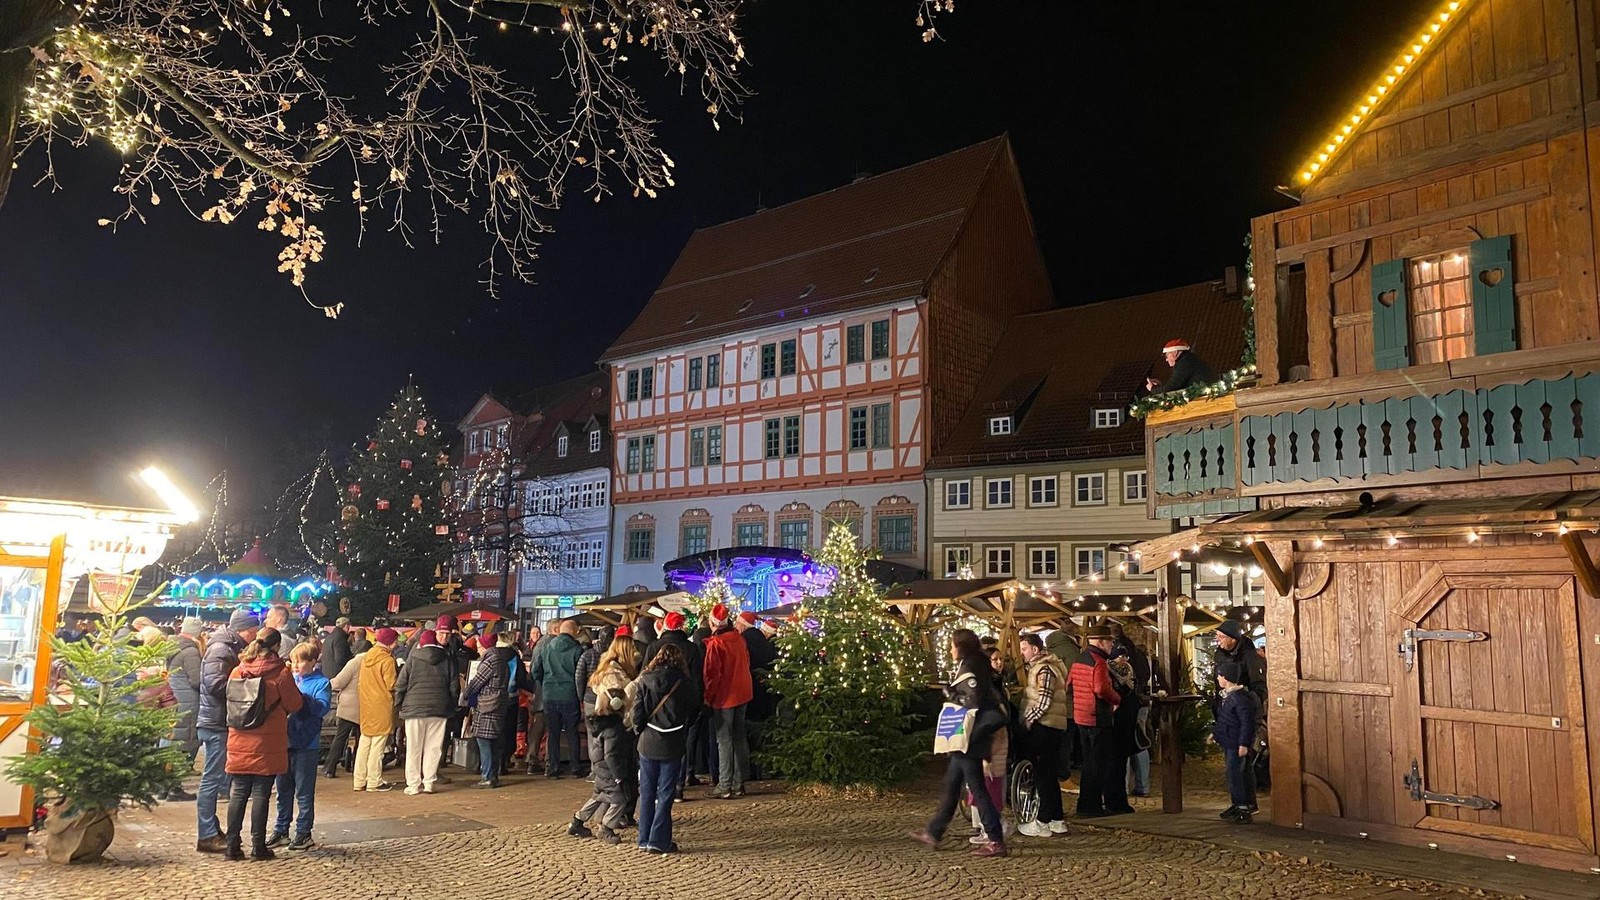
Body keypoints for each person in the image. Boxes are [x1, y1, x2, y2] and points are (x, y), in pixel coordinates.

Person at [910, 629, 1008, 858]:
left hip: (971, 738)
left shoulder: (972, 665)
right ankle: (933, 832)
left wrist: (950, 693)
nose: (950, 650)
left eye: (952, 645)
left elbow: (972, 701)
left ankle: (996, 839)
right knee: (952, 784)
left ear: (961, 646)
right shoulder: (977, 662)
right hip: (970, 738)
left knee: (977, 789)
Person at [224, 627, 304, 861]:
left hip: (239, 737)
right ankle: (258, 846)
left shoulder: (238, 670)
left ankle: (232, 846)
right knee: (261, 793)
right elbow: (294, 703)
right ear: (277, 646)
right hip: (267, 740)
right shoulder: (280, 672)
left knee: (238, 792)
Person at [568, 626, 641, 844]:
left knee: (599, 793)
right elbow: (612, 754)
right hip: (609, 751)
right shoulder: (613, 676)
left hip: (600, 749)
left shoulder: (608, 671)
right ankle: (606, 827)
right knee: (618, 796)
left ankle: (577, 822)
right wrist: (637, 684)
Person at [195, 610, 260, 853]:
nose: (254, 634)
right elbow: (214, 684)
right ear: (244, 629)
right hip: (215, 723)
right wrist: (245, 685)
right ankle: (207, 834)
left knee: (217, 779)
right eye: (253, 629)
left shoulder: (227, 646)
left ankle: (211, 830)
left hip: (217, 721)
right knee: (211, 780)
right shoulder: (222, 648)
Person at [632, 643, 701, 854]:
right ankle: (659, 839)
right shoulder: (685, 683)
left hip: (648, 740)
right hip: (673, 741)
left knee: (646, 791)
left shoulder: (645, 679)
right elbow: (694, 709)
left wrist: (639, 730)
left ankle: (644, 838)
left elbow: (637, 712)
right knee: (666, 793)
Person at [269, 643, 328, 851]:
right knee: (283, 790)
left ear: (313, 662)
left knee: (303, 792)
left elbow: (321, 708)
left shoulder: (321, 683)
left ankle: (303, 832)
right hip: (285, 741)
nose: (295, 665)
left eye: (300, 661)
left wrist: (301, 699)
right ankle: (281, 828)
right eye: (293, 661)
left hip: (306, 743)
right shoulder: (291, 679)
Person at [645, 610, 704, 797]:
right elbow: (697, 680)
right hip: (682, 705)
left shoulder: (654, 647)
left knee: (655, 745)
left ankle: (655, 786)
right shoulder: (691, 648)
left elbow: (644, 678)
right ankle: (677, 786)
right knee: (681, 745)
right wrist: (695, 706)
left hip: (656, 708)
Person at [1016, 633, 1069, 838]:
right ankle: (1056, 820)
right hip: (1052, 726)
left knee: (1043, 774)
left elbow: (1044, 700)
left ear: (1035, 650)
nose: (1022, 654)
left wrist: (1029, 719)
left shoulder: (1045, 669)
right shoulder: (1047, 666)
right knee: (1049, 773)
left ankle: (1043, 821)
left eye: (1024, 649)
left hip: (1045, 727)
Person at [1069, 624, 1123, 818]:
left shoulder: (1079, 659)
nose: (1111, 645)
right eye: (1110, 641)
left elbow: (1069, 685)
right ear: (1100, 641)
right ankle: (1091, 806)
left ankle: (1086, 804)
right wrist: (1116, 699)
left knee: (1088, 762)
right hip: (1097, 717)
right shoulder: (1098, 662)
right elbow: (1101, 689)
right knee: (1098, 763)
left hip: (1080, 716)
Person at [701, 603, 753, 799]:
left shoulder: (716, 644)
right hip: (743, 693)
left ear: (713, 623)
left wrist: (708, 698)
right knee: (739, 737)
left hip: (725, 697)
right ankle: (739, 783)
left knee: (724, 740)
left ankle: (724, 785)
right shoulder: (739, 639)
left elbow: (712, 675)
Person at [1214, 620, 1266, 811]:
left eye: (1221, 637)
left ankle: (1246, 803)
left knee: (1241, 764)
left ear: (1232, 639)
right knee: (1233, 766)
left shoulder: (1250, 657)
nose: (1217, 641)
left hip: (1243, 714)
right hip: (1227, 712)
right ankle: (1239, 802)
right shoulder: (1220, 654)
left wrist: (1245, 700)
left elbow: (1260, 688)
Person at [395, 628, 455, 794]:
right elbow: (454, 686)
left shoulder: (412, 659)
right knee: (434, 747)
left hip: (414, 708)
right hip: (439, 709)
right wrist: (451, 704)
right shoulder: (447, 659)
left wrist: (399, 704)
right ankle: (429, 783)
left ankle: (413, 785)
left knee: (414, 747)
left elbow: (400, 684)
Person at [531, 618, 585, 778]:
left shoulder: (546, 647)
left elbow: (535, 670)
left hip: (549, 695)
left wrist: (546, 683)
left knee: (553, 733)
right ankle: (575, 768)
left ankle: (552, 768)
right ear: (574, 632)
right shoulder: (577, 649)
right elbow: (581, 674)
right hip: (570, 696)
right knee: (572, 733)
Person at [1108, 621, 1154, 797]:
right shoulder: (1137, 652)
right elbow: (1146, 675)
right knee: (1139, 743)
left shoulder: (1115, 663)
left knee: (1126, 746)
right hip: (1140, 704)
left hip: (1126, 708)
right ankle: (1143, 786)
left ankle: (1124, 787)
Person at [1213, 661, 1261, 824]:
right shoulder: (1229, 697)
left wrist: (1243, 743)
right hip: (1229, 741)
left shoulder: (1239, 699)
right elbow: (1225, 720)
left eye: (1219, 675)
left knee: (1236, 775)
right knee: (1235, 773)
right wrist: (1215, 734)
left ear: (1225, 678)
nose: (1218, 678)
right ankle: (1239, 804)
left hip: (1236, 743)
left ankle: (1243, 807)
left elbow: (1246, 723)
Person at [466, 628, 513, 788]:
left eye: (479, 646)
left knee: (483, 740)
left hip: (487, 705)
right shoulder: (501, 659)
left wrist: (465, 694)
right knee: (493, 741)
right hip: (499, 704)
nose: (478, 648)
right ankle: (493, 775)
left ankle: (487, 776)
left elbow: (476, 682)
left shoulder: (490, 660)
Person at [354, 627, 399, 792]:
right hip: (381, 705)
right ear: (390, 643)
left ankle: (359, 780)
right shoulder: (387, 660)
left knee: (364, 742)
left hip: (366, 704)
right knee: (378, 745)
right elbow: (391, 684)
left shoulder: (367, 657)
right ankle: (374, 781)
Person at [165, 616, 205, 794]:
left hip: (175, 698)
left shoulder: (173, 646)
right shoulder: (190, 651)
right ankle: (175, 788)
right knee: (185, 742)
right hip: (188, 701)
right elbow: (196, 680)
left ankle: (166, 786)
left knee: (173, 742)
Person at [1105, 644, 1142, 816]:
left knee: (1121, 761)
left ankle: (1119, 800)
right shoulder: (1109, 673)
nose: (1124, 660)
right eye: (1120, 657)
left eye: (1125, 657)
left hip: (1127, 722)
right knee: (1114, 762)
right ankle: (1114, 800)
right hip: (1115, 723)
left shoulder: (1129, 672)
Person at [323, 643, 366, 779]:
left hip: (349, 707)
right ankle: (358, 768)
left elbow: (338, 683)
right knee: (362, 740)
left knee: (341, 737)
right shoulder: (373, 662)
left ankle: (330, 767)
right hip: (366, 706)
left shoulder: (354, 662)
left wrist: (330, 682)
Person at [1142, 338, 1216, 396]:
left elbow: (1171, 388)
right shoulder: (1188, 359)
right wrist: (1159, 386)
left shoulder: (1184, 363)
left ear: (1175, 352)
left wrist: (1153, 388)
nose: (1166, 359)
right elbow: (1176, 385)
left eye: (1167, 355)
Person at [322, 618, 353, 684]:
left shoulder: (329, 637)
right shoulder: (340, 639)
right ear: (346, 626)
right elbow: (341, 660)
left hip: (327, 675)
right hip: (336, 677)